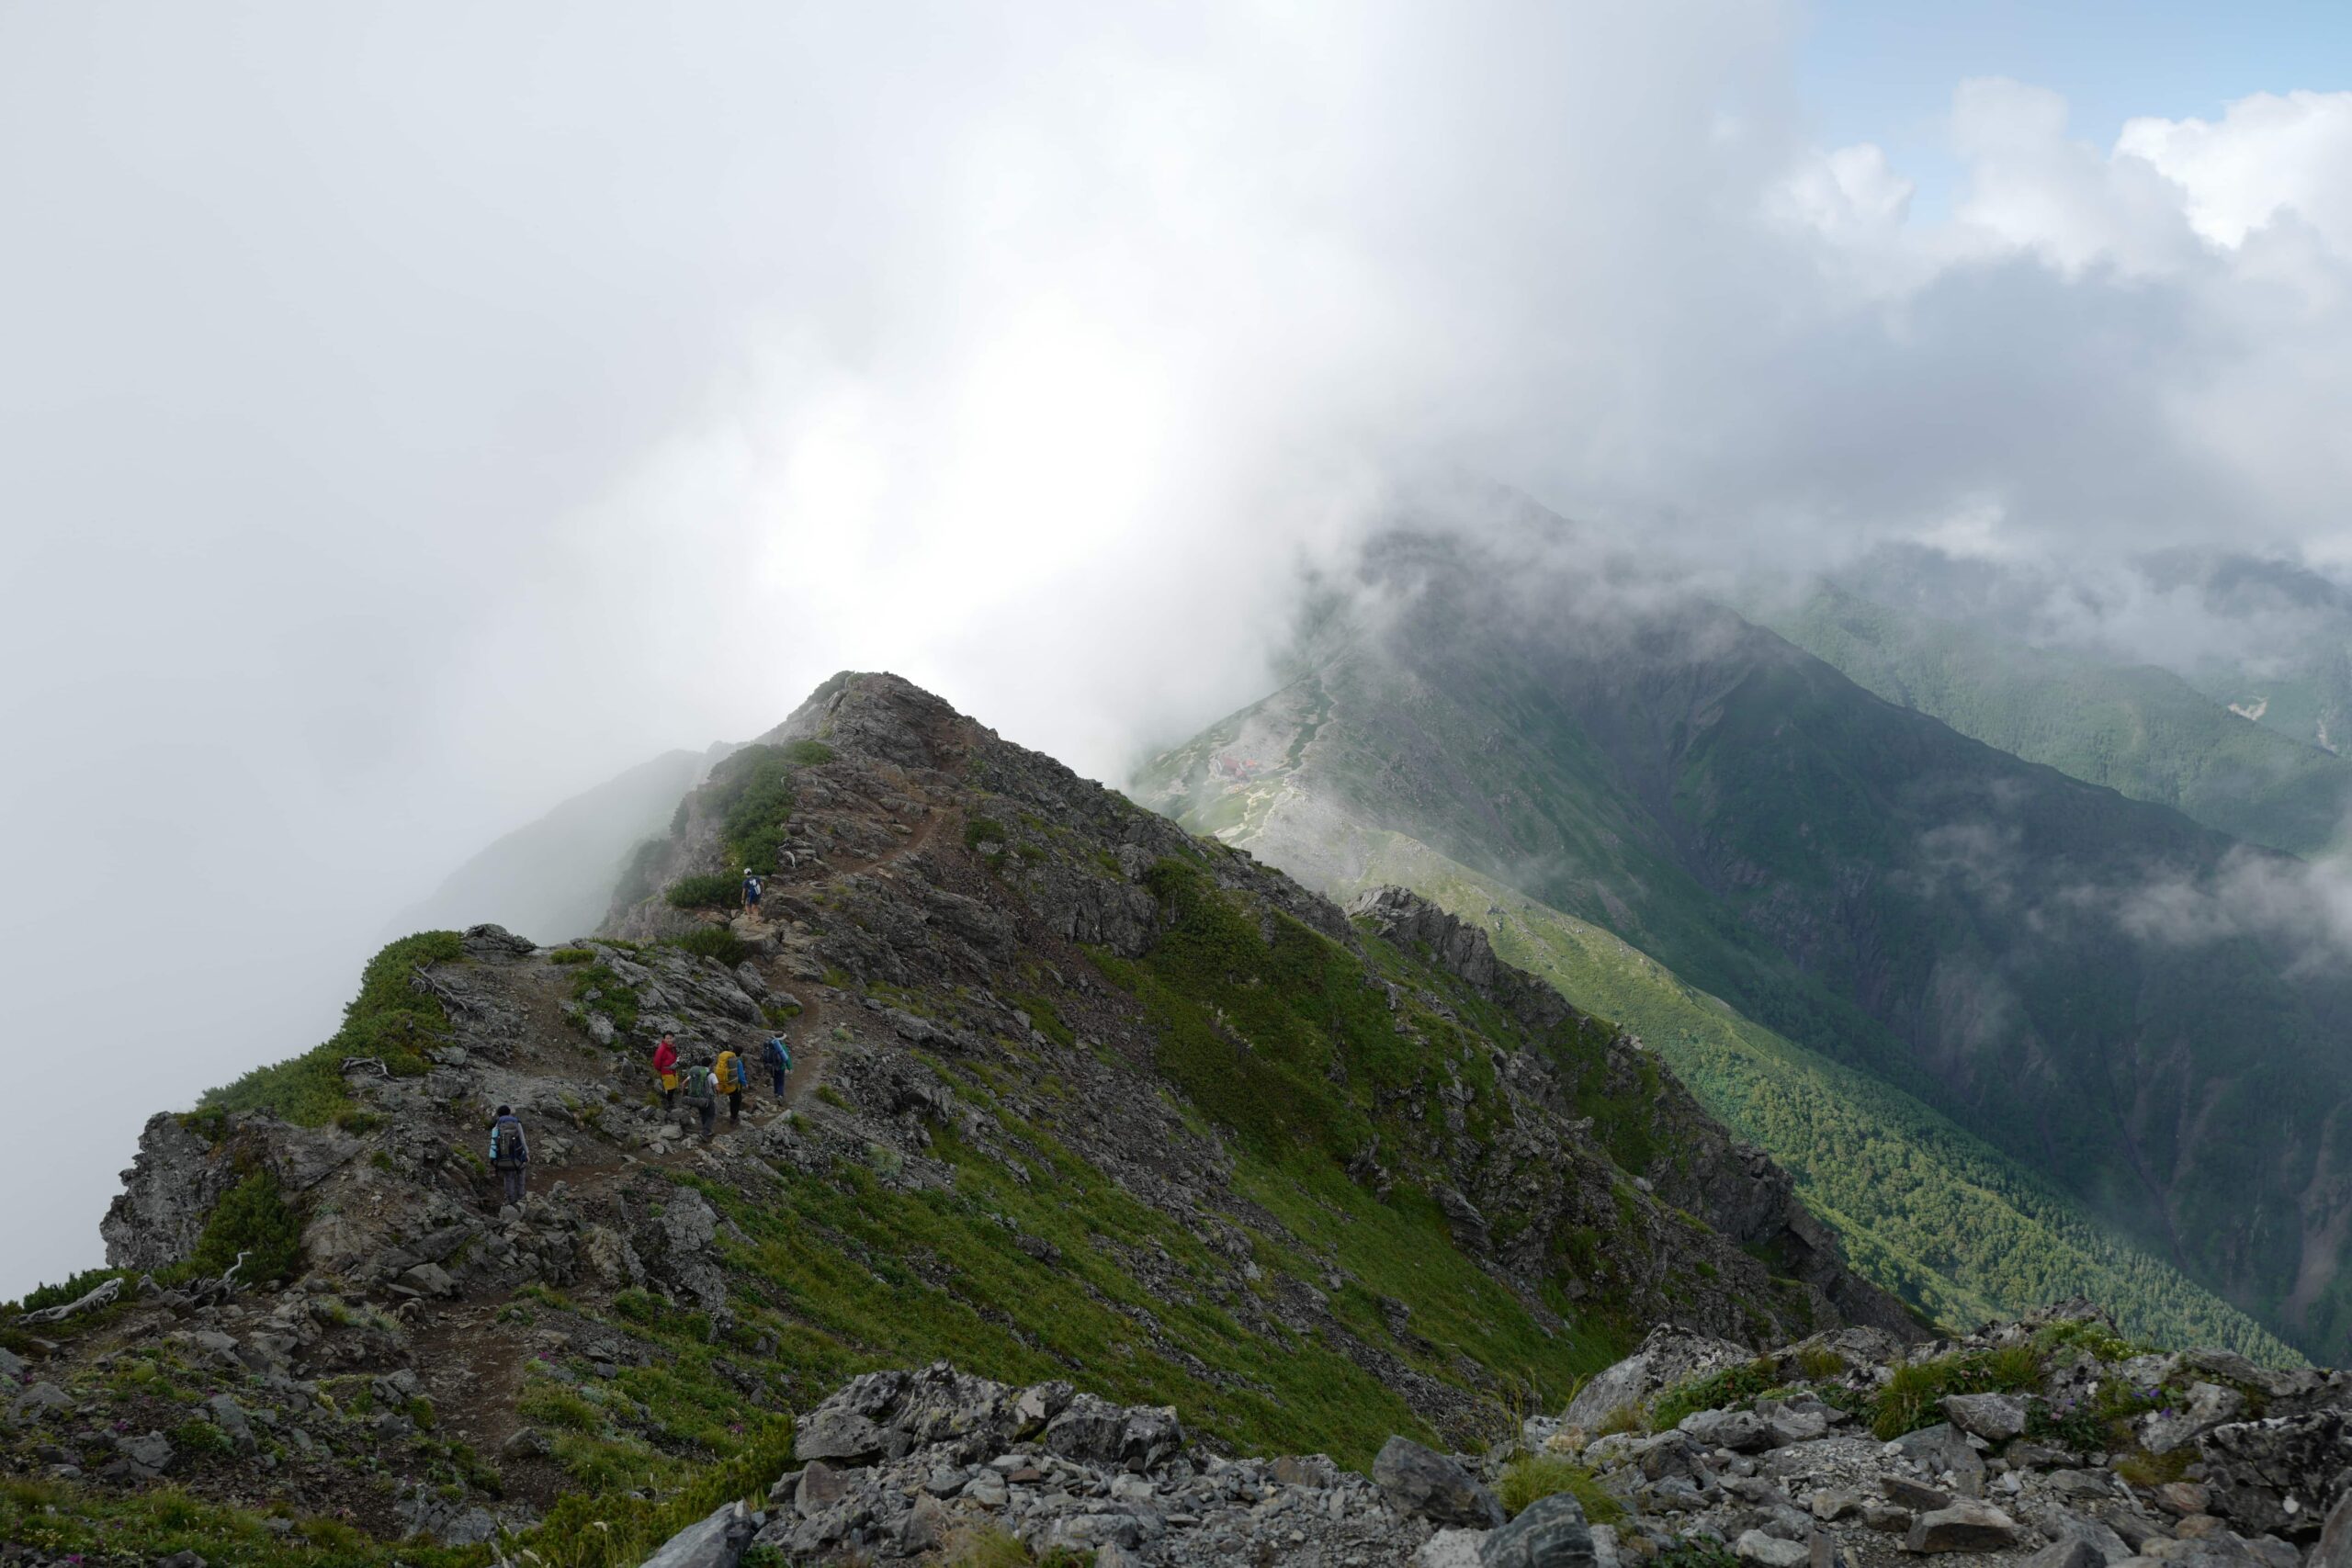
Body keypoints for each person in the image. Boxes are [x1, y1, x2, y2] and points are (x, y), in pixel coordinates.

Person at [488, 1105, 529, 1206]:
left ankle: (510, 1201)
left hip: (504, 1156)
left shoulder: (497, 1124)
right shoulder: (516, 1122)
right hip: (518, 1155)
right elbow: (523, 1140)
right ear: (509, 1112)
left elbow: (494, 1142)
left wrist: (494, 1157)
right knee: (521, 1173)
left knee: (508, 1177)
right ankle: (521, 1198)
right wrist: (527, 1153)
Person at [684, 1058, 718, 1142]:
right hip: (707, 1099)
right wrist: (718, 1094)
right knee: (711, 1115)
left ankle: (707, 1130)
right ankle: (704, 1132)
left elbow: (684, 1083)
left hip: (696, 1098)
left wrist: (683, 1094)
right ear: (710, 1064)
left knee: (703, 1113)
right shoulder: (711, 1074)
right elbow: (717, 1087)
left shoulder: (695, 1073)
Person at [715, 1045, 745, 1125]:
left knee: (732, 1100)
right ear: (740, 1053)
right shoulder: (738, 1062)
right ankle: (734, 1119)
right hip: (736, 1085)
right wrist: (745, 1083)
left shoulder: (728, 1060)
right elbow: (741, 1076)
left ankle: (732, 1116)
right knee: (737, 1101)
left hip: (727, 1084)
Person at [652, 1033, 680, 1110]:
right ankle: (667, 1104)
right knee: (669, 1088)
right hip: (666, 1071)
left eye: (670, 1038)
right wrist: (659, 1069)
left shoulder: (672, 1047)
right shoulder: (662, 1049)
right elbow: (657, 1060)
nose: (669, 1040)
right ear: (664, 1039)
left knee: (673, 1087)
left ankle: (669, 1101)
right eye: (667, 1038)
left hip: (673, 1070)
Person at [763, 1032, 793, 1098]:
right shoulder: (782, 1045)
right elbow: (786, 1058)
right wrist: (790, 1067)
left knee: (775, 1079)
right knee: (780, 1081)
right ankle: (780, 1095)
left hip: (771, 1066)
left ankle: (776, 1093)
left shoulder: (770, 1044)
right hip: (780, 1066)